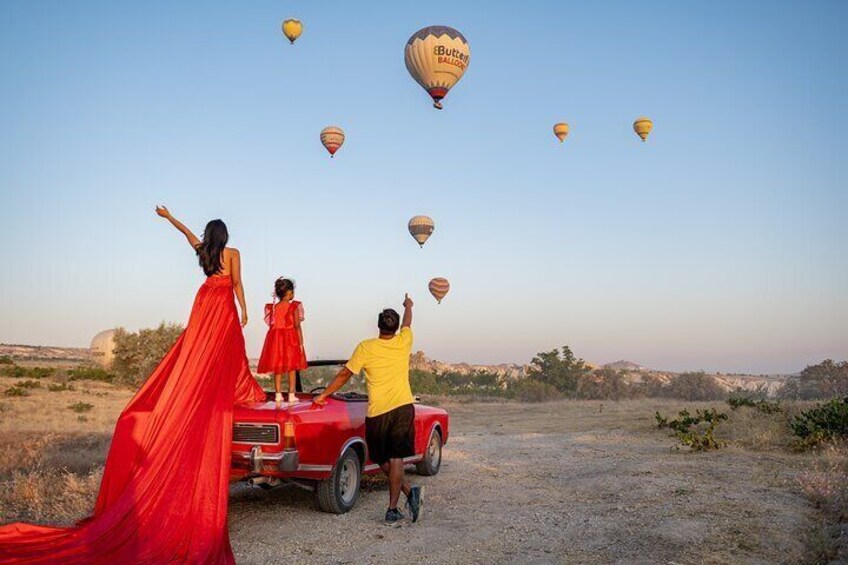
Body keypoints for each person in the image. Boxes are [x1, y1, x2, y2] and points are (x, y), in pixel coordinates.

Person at [0, 206, 265, 564]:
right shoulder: (233, 254)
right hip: (220, 303)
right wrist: (245, 310)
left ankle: (200, 387)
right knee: (225, 347)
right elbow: (236, 284)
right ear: (226, 236)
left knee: (198, 350)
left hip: (203, 301)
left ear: (209, 236)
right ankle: (230, 389)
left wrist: (168, 217)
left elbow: (187, 235)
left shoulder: (204, 252)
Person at [314, 294, 423, 526]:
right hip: (402, 408)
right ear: (394, 329)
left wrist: (324, 394)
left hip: (379, 411)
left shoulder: (366, 347)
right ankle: (409, 492)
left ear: (378, 326)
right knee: (385, 458)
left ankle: (392, 509)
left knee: (391, 459)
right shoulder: (404, 340)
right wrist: (409, 306)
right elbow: (408, 322)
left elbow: (345, 374)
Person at [257, 277, 308, 404]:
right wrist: (301, 342)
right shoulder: (294, 306)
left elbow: (272, 324)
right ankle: (291, 394)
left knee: (277, 367)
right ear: (289, 292)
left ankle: (278, 394)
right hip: (291, 339)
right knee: (292, 366)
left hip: (275, 340)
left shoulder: (273, 308)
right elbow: (297, 326)